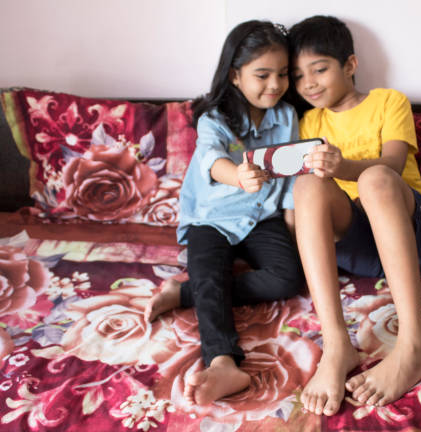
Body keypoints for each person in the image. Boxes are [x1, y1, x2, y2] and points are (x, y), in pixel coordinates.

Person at [288, 15, 421, 416]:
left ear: (350, 65)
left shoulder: (387, 101)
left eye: (320, 69)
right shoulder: (309, 121)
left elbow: (394, 165)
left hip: (417, 234)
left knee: (376, 179)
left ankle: (414, 345)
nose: (308, 83)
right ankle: (338, 345)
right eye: (298, 76)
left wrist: (341, 167)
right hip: (365, 250)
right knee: (306, 186)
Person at [144, 20, 303, 406]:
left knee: (288, 279)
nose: (275, 84)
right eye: (262, 75)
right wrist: (239, 175)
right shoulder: (214, 119)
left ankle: (184, 292)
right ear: (235, 75)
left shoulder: (286, 117)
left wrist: (294, 221)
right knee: (209, 270)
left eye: (282, 74)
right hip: (212, 217)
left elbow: (295, 173)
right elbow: (213, 160)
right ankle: (222, 361)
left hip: (262, 217)